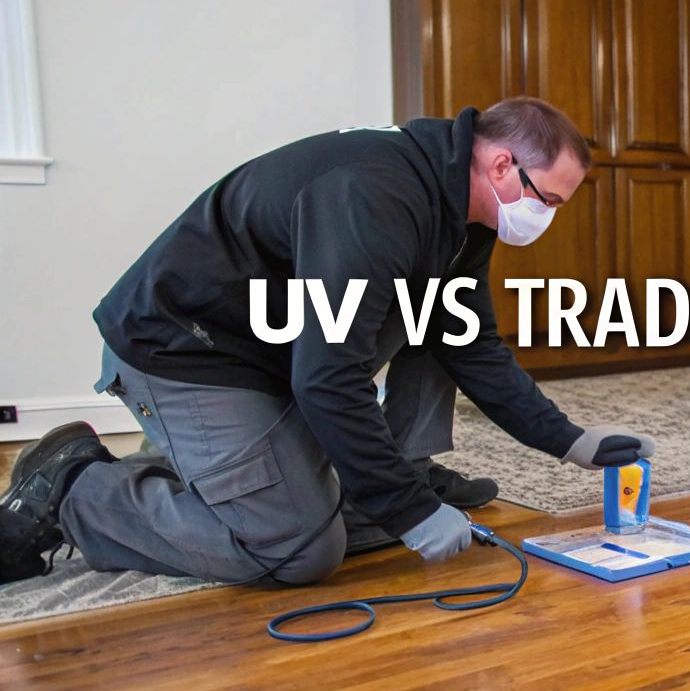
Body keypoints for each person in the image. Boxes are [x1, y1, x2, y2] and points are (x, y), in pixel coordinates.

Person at [1, 97, 651, 586]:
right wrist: (407, 508)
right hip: (184, 354)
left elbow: (468, 341)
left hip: (268, 352)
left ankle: (359, 471)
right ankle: (78, 491)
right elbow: (328, 377)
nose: (549, 215)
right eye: (551, 200)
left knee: (429, 327)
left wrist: (570, 441)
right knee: (299, 550)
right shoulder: (377, 196)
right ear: (503, 163)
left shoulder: (459, 208)